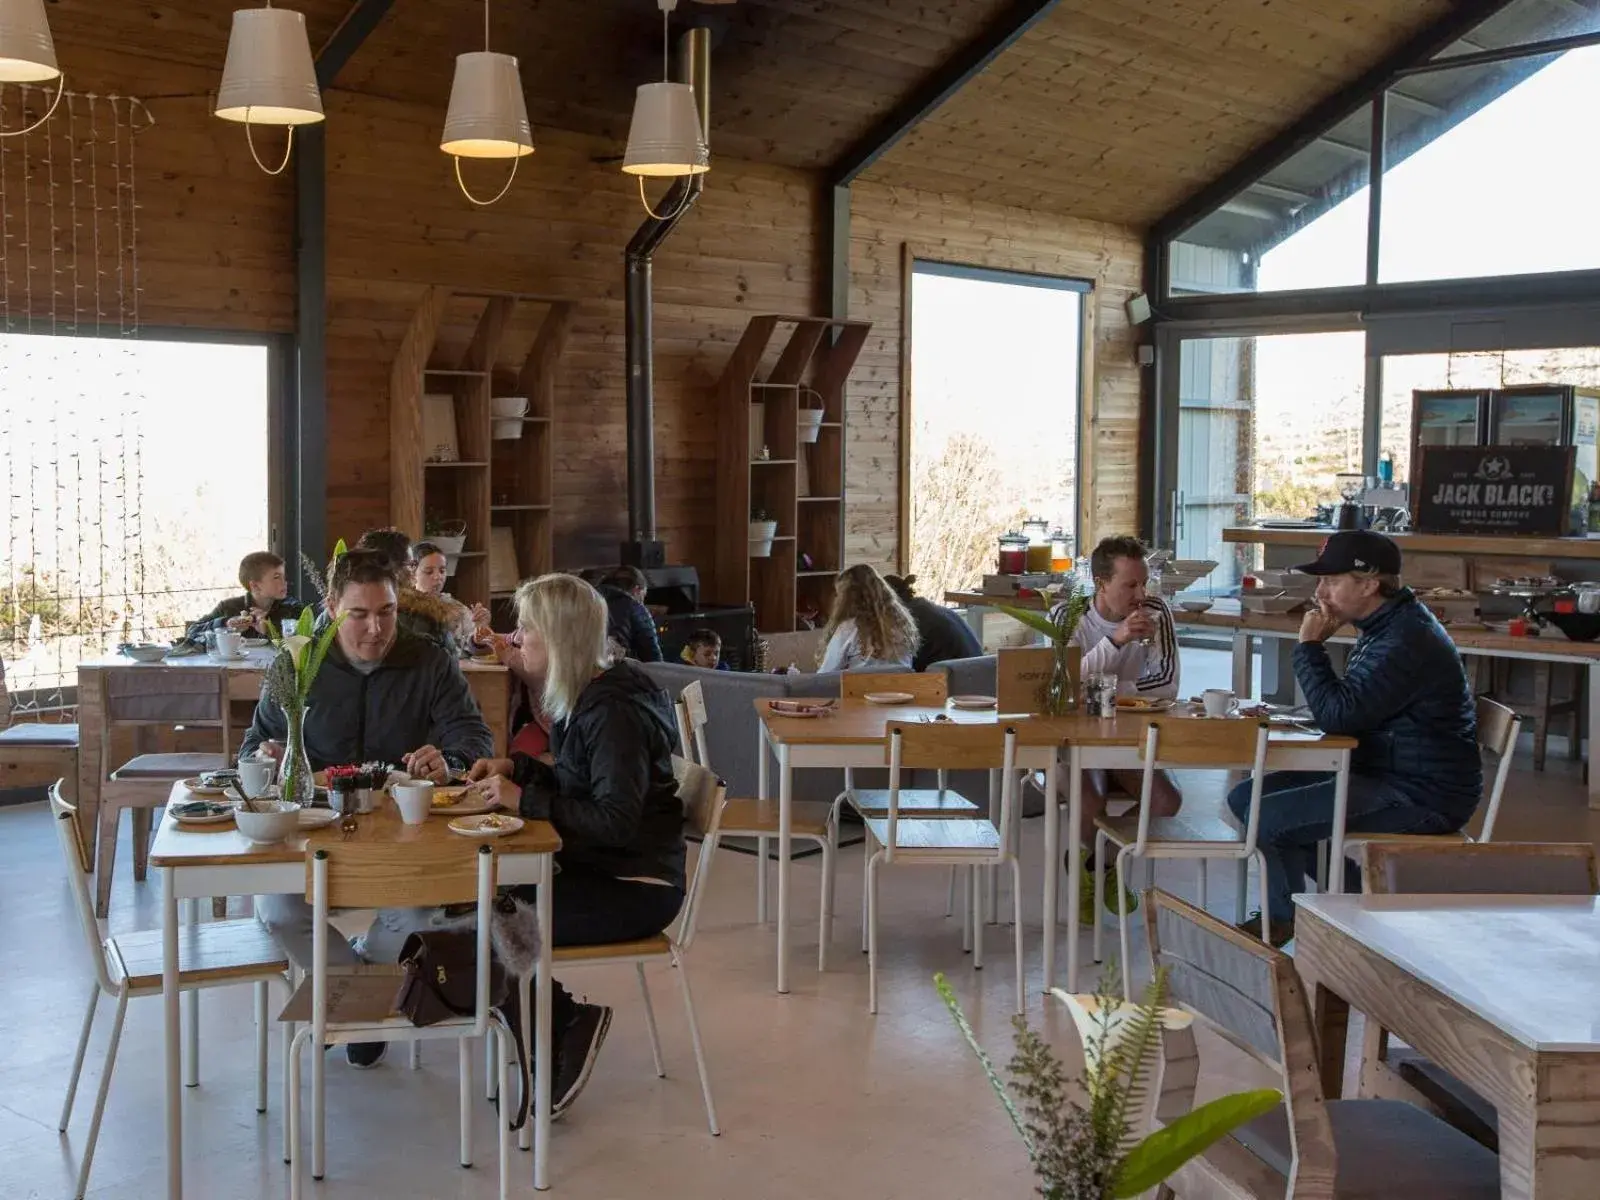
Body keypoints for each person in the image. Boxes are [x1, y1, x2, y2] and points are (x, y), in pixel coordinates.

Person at [245, 549, 495, 1067]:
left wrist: (447, 760)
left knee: (419, 912)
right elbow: (253, 743)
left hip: (401, 840)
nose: (376, 629)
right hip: (312, 834)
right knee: (276, 909)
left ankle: (356, 1004)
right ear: (333, 605)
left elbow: (473, 736)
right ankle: (366, 997)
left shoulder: (428, 660)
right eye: (359, 615)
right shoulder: (296, 661)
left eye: (387, 612)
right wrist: (265, 757)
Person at [468, 573, 685, 1118]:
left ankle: (564, 1025)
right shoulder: (587, 696)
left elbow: (613, 820)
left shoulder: (613, 712)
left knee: (490, 928)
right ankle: (556, 1026)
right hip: (607, 868)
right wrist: (515, 767)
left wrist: (525, 800)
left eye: (526, 629)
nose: (515, 639)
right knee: (480, 904)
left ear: (560, 639)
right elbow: (576, 783)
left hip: (637, 885)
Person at [1227, 531, 1480, 948]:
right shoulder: (1388, 626)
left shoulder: (1404, 640)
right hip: (1385, 773)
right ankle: (1364, 895)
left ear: (1369, 583)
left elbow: (1338, 715)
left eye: (1331, 580)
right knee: (1245, 800)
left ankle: (1285, 920)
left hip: (1424, 794)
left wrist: (1309, 646)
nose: (1319, 591)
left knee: (1268, 819)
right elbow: (1351, 710)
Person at [1062, 536, 1183, 832]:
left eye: (1145, 583)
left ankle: (1103, 860)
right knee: (1089, 806)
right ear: (1101, 583)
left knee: (1166, 803)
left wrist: (1100, 691)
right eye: (1131, 585)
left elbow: (1166, 687)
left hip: (1128, 739)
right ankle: (1099, 868)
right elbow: (1062, 686)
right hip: (1073, 740)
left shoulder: (1155, 611)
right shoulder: (1069, 615)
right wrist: (1116, 641)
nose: (1141, 593)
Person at [356, 527, 459, 653]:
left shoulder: (345, 615)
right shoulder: (425, 615)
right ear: (394, 570)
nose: (413, 572)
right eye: (411, 565)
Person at [817, 563, 918, 672]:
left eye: (839, 595)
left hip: (861, 688)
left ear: (846, 598)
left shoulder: (849, 629)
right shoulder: (902, 624)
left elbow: (825, 675)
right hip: (902, 688)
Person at [186, 551, 305, 641]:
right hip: (233, 672)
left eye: (284, 576)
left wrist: (270, 630)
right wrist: (226, 624)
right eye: (276, 577)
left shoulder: (293, 608)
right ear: (255, 586)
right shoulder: (228, 607)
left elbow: (306, 644)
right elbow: (192, 632)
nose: (285, 582)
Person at [884, 573, 982, 672]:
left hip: (957, 679)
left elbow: (902, 667)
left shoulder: (910, 619)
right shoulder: (928, 609)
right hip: (975, 673)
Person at [412, 539, 492, 655]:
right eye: (429, 572)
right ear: (412, 574)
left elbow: (478, 649)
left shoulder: (456, 608)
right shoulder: (404, 609)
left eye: (442, 571)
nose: (437, 577)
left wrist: (480, 629)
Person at [595, 565, 663, 662]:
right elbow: (654, 658)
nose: (642, 603)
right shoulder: (635, 608)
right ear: (636, 590)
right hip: (620, 671)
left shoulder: (587, 602)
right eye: (642, 597)